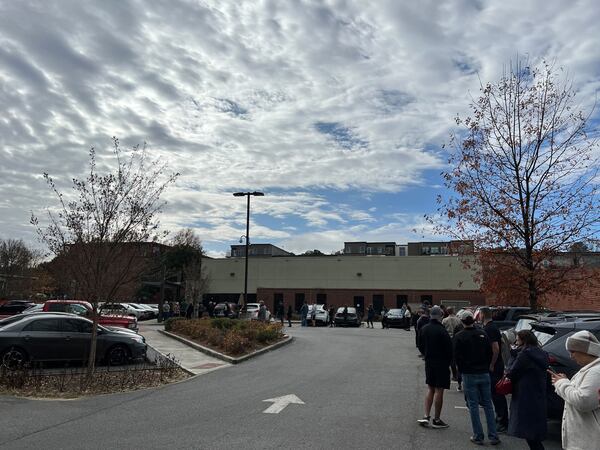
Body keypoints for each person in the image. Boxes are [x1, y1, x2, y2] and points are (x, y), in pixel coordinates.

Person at [453, 310, 500, 445]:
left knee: (473, 405)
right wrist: (488, 365)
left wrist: (459, 371)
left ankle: (478, 435)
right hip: (484, 372)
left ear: (462, 321)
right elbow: (489, 352)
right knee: (488, 404)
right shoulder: (483, 334)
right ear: (473, 320)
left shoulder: (459, 336)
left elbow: (456, 357)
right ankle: (493, 435)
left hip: (469, 374)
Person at [550, 330, 600, 450]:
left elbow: (583, 401)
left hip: (588, 443)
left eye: (573, 352)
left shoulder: (596, 371)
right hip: (584, 441)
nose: (570, 356)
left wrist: (561, 383)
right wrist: (565, 381)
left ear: (586, 350)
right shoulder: (589, 369)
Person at [506, 330, 549, 450]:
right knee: (534, 430)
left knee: (527, 430)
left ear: (523, 341)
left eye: (518, 339)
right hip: (538, 393)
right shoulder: (543, 353)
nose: (516, 342)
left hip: (524, 394)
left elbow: (511, 372)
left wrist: (513, 355)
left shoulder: (524, 354)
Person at [417, 306, 452, 429]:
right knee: (439, 390)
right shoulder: (442, 331)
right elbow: (449, 349)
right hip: (441, 363)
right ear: (440, 316)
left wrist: (426, 354)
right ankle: (436, 419)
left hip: (429, 362)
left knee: (430, 388)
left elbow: (420, 345)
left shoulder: (424, 329)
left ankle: (426, 415)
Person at [482, 308, 508, 432]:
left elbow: (496, 348)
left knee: (497, 393)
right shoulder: (493, 327)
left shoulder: (489, 329)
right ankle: (500, 418)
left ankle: (502, 420)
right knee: (495, 393)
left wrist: (492, 363)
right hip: (497, 364)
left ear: (482, 315)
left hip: (494, 366)